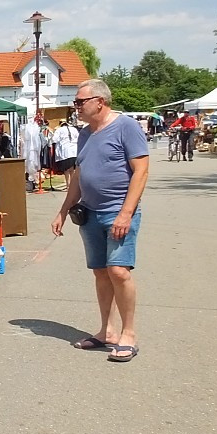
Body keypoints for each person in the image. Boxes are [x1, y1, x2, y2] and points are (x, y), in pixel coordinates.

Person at [51, 80, 149, 362]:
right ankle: (107, 330)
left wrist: (126, 213)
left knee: (118, 271)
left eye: (80, 102)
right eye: (76, 102)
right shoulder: (84, 134)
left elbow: (140, 171)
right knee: (100, 272)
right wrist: (62, 211)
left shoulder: (126, 126)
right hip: (90, 213)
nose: (76, 107)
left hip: (118, 212)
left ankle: (128, 334)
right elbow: (79, 178)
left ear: (100, 102)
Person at [21, 114, 44, 189]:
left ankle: (33, 181)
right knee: (30, 163)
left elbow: (33, 138)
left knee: (32, 163)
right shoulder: (27, 127)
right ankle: (32, 182)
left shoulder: (34, 127)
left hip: (32, 149)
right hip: (30, 148)